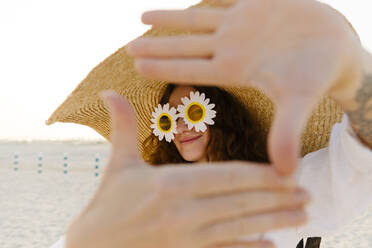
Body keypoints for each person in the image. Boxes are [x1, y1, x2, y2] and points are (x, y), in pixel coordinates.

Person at [48, 0, 372, 247]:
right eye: (169, 118)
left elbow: (356, 166)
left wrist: (354, 74)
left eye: (190, 112)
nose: (179, 127)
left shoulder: (277, 191)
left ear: (221, 116)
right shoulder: (154, 205)